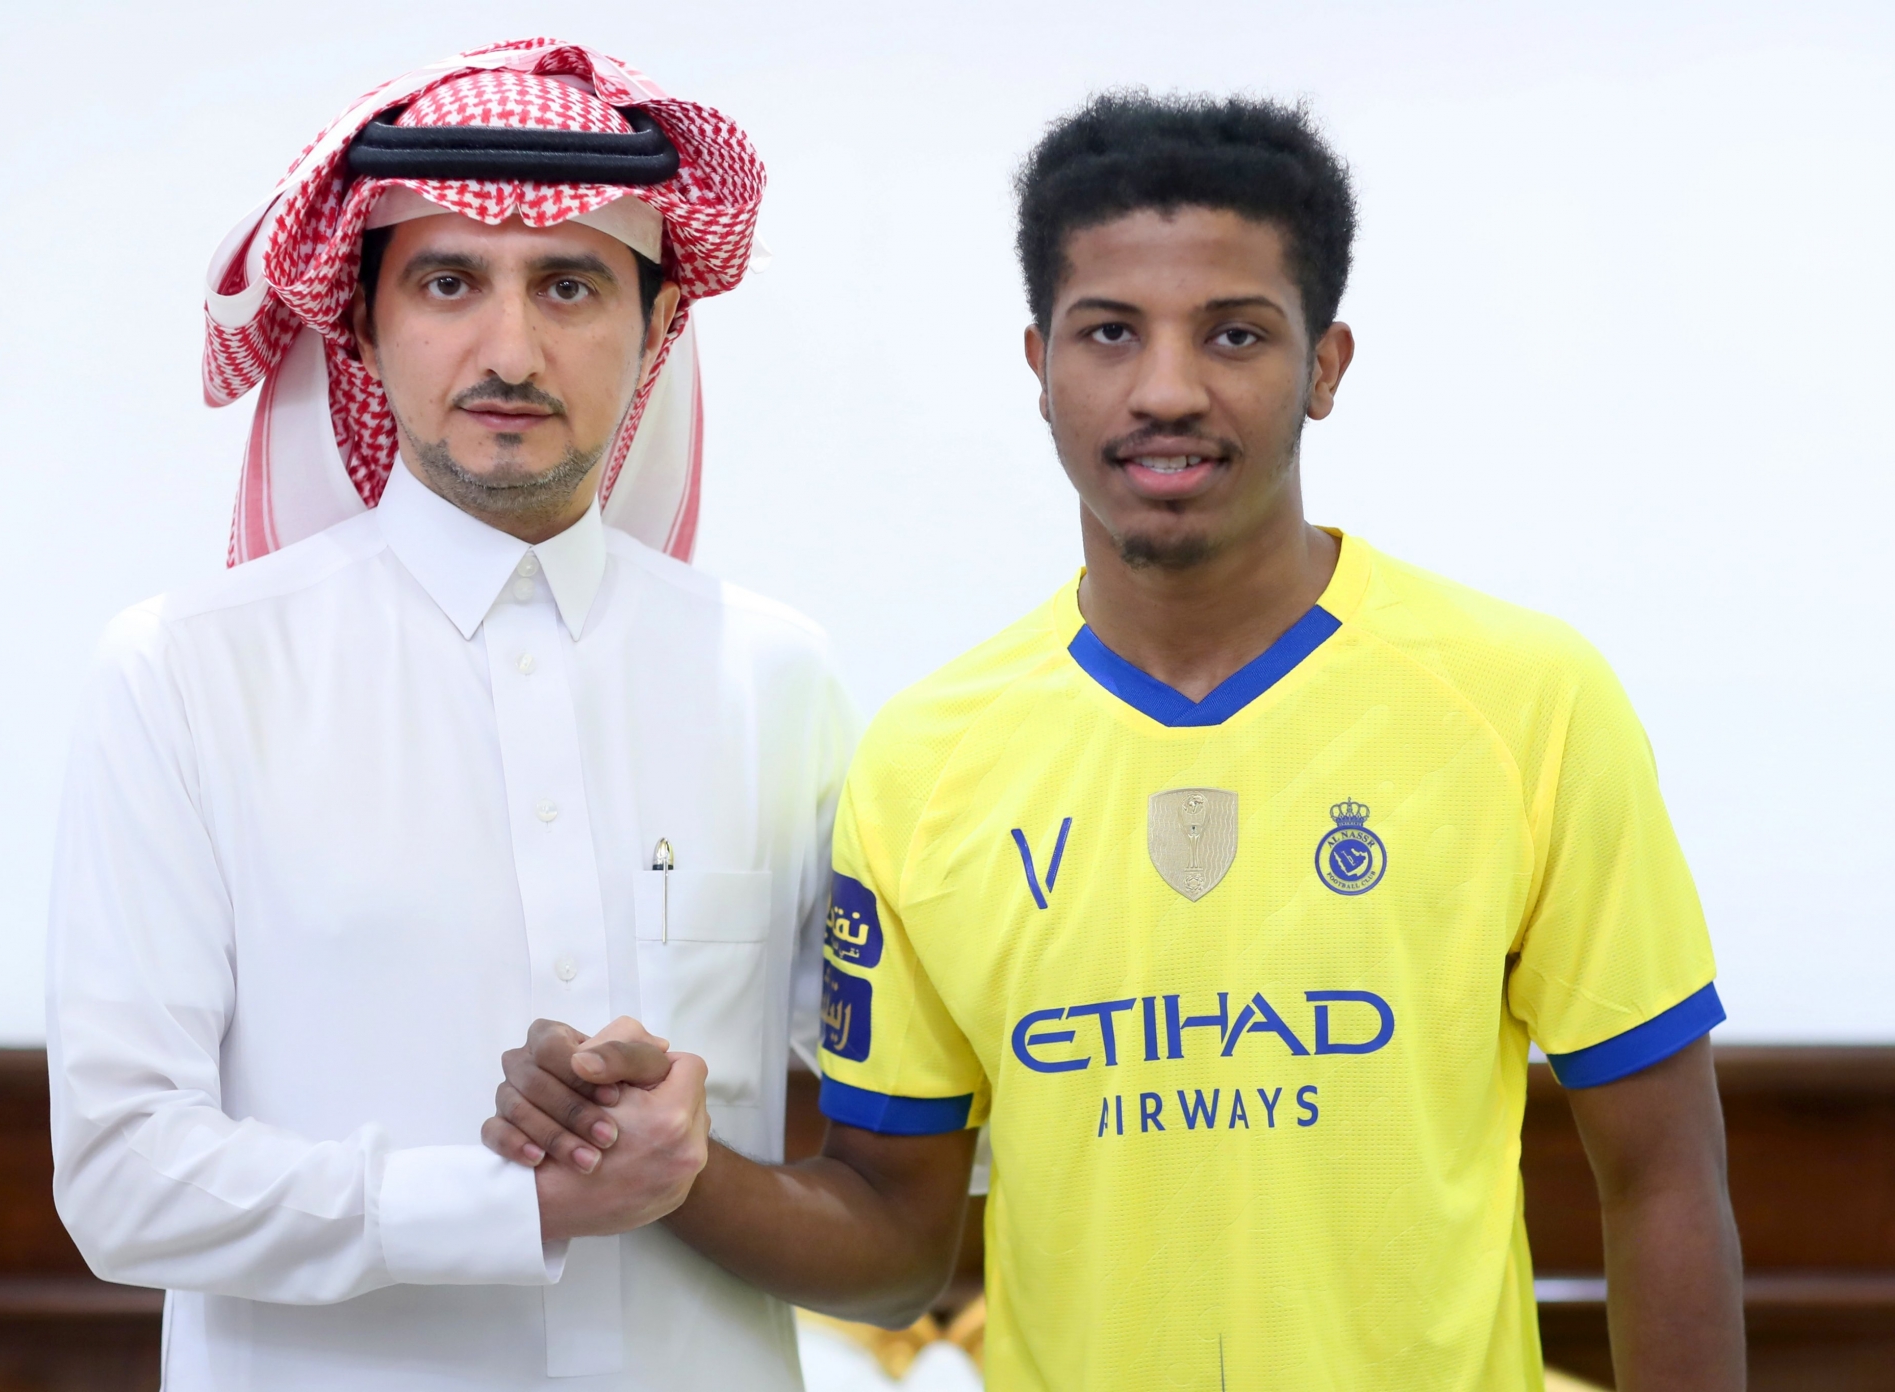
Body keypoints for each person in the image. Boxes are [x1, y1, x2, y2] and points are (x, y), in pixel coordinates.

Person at [492, 94, 1746, 1390]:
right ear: (1041, 366)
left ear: (1325, 366)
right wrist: (674, 1165)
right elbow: (895, 1250)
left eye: (1235, 334)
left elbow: (1662, 1180)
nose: (1166, 389)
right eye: (1109, 333)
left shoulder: (1525, 702)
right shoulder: (926, 762)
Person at [47, 39, 854, 1391]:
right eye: (447, 283)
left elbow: (906, 1106)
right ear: (362, 325)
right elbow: (124, 1182)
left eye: (570, 285)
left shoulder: (773, 677)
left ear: (657, 323)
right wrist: (507, 1207)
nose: (510, 351)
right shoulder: (187, 676)